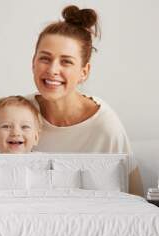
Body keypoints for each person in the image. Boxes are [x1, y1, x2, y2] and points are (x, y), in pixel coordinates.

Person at [26, 5, 144, 196]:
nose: (52, 70)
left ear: (84, 72)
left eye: (66, 61)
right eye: (45, 59)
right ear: (33, 62)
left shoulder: (105, 127)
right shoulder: (17, 113)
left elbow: (136, 197)